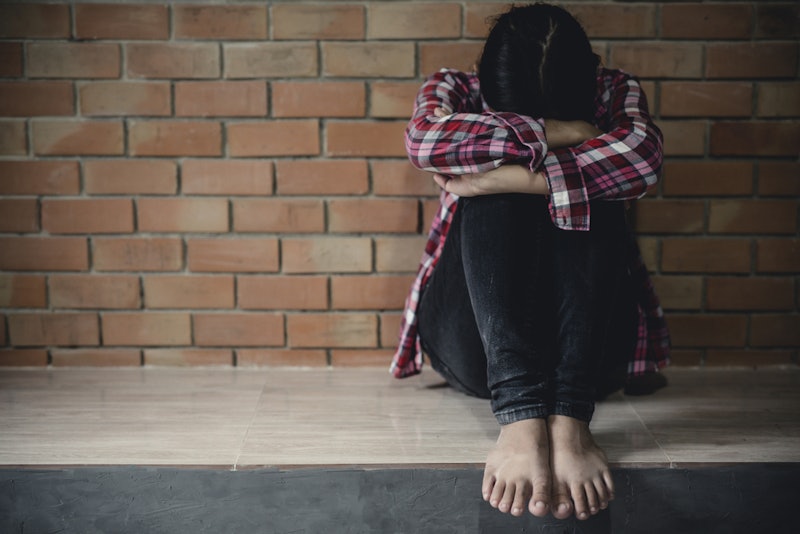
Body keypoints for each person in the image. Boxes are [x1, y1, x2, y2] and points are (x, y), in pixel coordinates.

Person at [391, 3, 670, 522]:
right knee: (502, 196)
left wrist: (512, 174)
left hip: (592, 350)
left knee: (594, 190)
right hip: (476, 345)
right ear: (482, 80)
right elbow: (424, 142)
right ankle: (520, 420)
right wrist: (563, 132)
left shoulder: (614, 89)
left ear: (592, 73)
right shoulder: (454, 88)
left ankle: (569, 418)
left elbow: (644, 159)